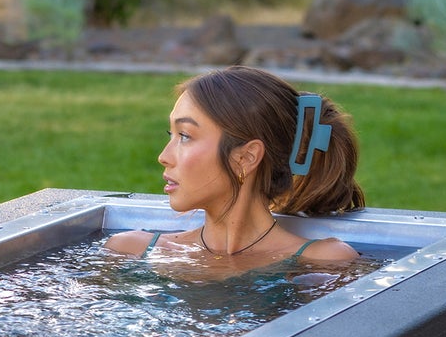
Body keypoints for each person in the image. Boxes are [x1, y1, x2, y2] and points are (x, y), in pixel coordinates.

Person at [105, 66, 365, 269]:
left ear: (246, 157)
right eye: (170, 134)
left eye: (185, 136)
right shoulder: (130, 250)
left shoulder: (325, 260)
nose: (164, 156)